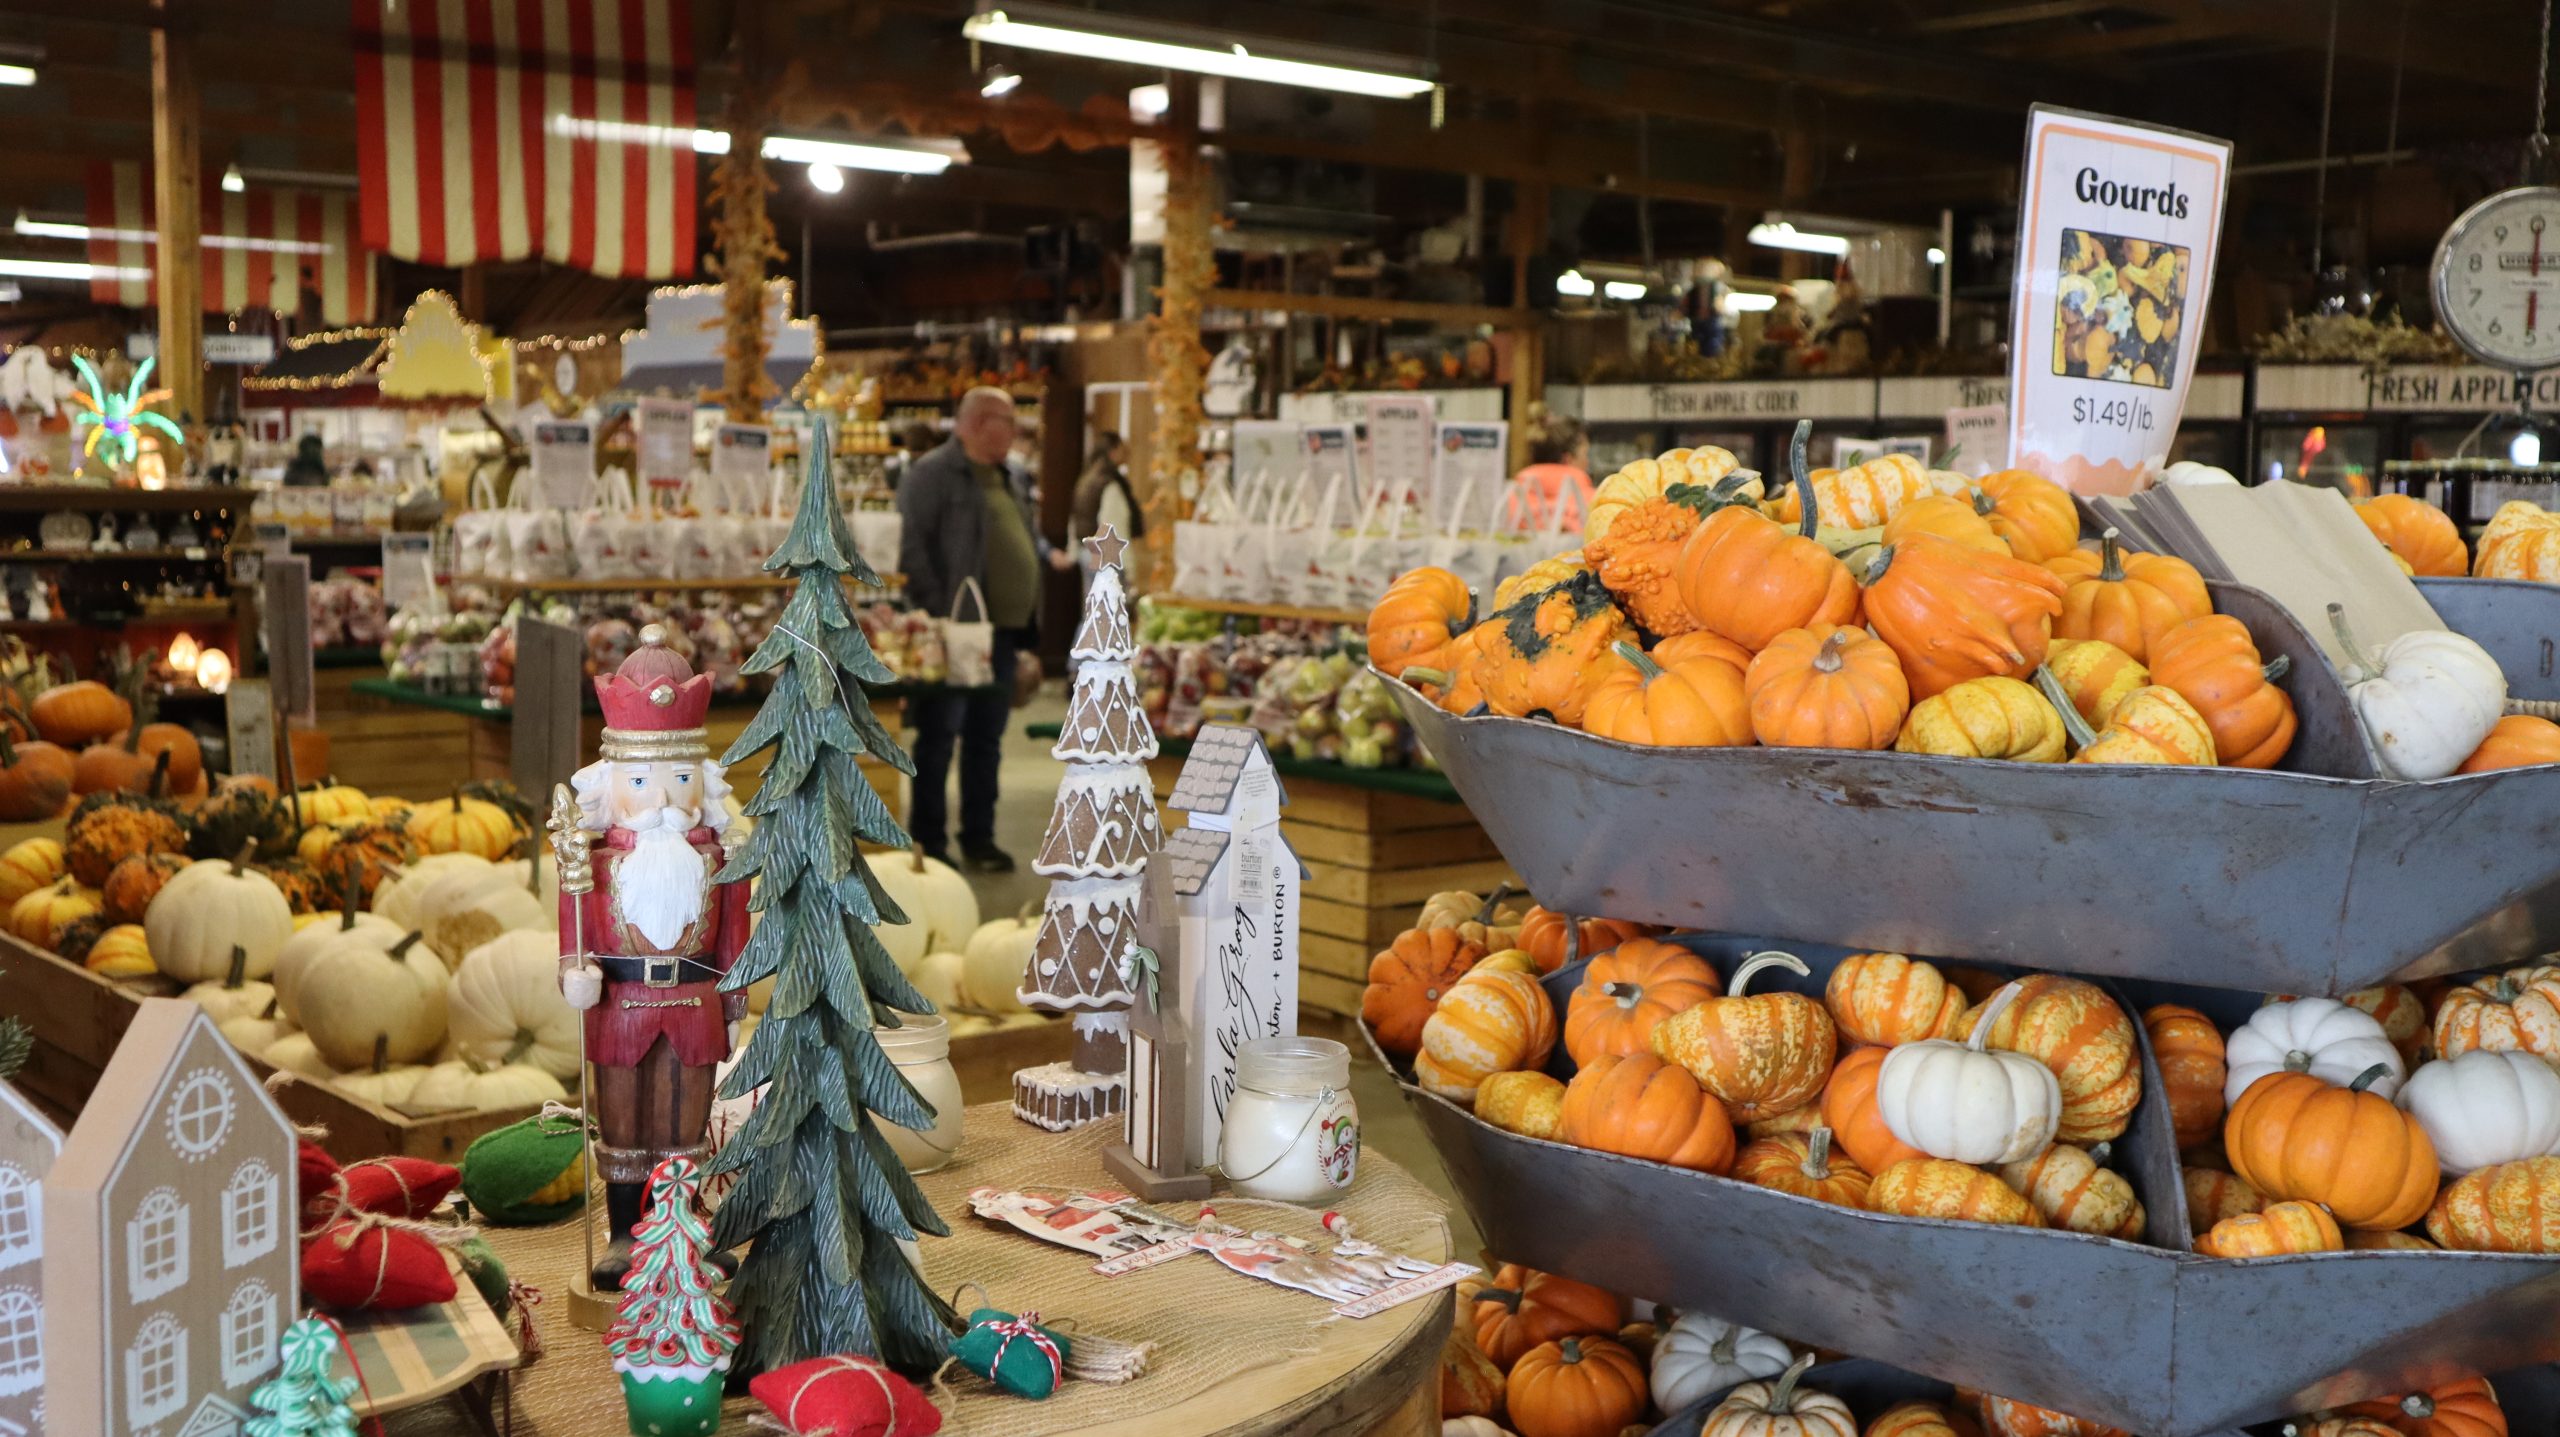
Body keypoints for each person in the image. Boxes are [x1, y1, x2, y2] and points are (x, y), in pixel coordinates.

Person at [556, 629, 751, 1289]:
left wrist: (735, 993)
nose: (662, 797)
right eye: (641, 780)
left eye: (677, 777)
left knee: (684, 1123)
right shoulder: (594, 862)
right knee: (623, 1123)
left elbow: (732, 939)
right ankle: (621, 1237)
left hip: (694, 1003)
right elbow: (573, 930)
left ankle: (681, 1230)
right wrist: (573, 971)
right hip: (620, 1006)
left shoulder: (719, 860)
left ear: (701, 780)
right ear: (613, 785)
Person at [897, 386, 1048, 872]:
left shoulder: (1010, 477)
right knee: (940, 737)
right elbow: (912, 548)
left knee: (987, 738)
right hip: (951, 634)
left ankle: (979, 839)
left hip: (1001, 634)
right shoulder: (933, 475)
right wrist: (939, 616)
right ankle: (930, 843)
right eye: (1009, 421)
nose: (1016, 431)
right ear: (982, 423)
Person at [1503, 414, 1594, 532]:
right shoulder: (1592, 502)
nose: (1588, 462)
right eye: (1585, 454)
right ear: (1568, 459)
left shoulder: (1510, 497)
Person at [1069, 431, 1142, 565]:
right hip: (1104, 556)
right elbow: (1113, 526)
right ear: (1113, 451)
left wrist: (1072, 551)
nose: (1127, 454)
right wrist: (1125, 564)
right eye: (1122, 449)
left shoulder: (1088, 476)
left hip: (1087, 550)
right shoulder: (1108, 481)